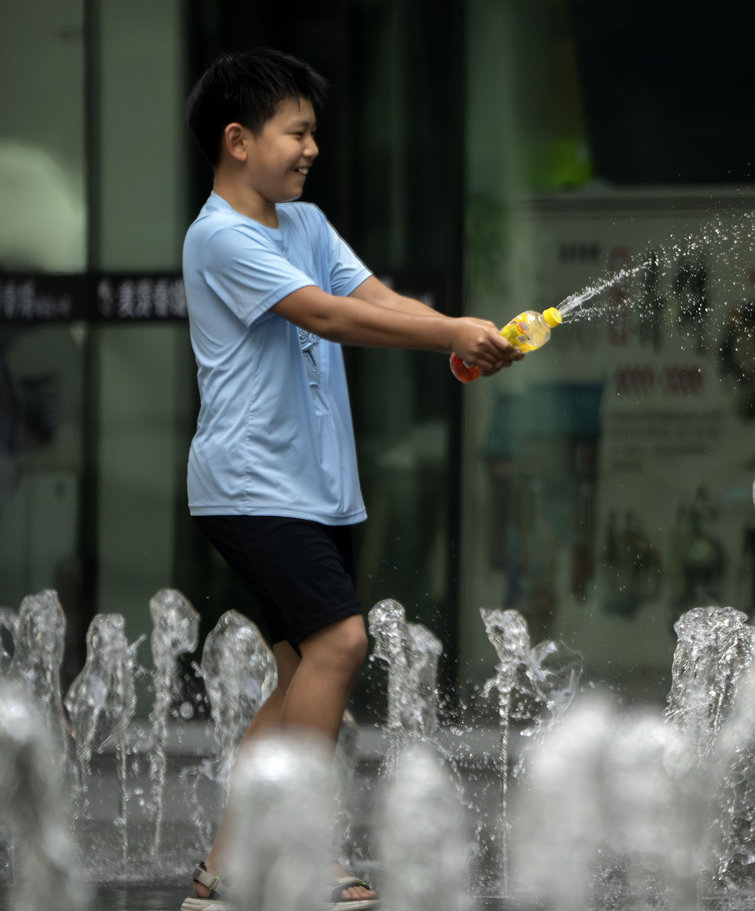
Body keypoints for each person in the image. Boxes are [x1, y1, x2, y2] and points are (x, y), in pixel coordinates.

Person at [179, 48, 521, 911]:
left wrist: (463, 330)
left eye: (313, 133)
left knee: (298, 677)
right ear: (238, 140)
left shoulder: (305, 223)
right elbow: (327, 316)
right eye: (296, 132)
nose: (310, 149)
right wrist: (450, 333)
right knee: (340, 643)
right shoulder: (220, 236)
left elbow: (374, 296)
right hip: (251, 486)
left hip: (312, 488)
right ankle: (309, 850)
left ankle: (219, 875)